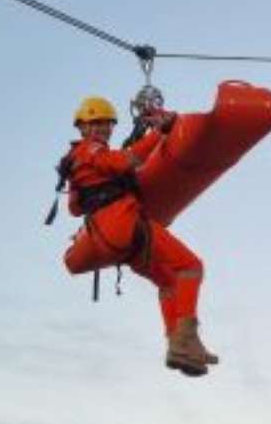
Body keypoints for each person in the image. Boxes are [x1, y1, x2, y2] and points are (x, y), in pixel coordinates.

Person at [57, 95, 218, 378]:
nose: (102, 129)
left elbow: (74, 207)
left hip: (114, 242)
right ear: (82, 128)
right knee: (191, 267)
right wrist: (160, 132)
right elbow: (125, 162)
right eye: (95, 123)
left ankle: (177, 345)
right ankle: (186, 337)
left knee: (168, 280)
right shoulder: (90, 150)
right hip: (124, 224)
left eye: (106, 124)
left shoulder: (77, 163)